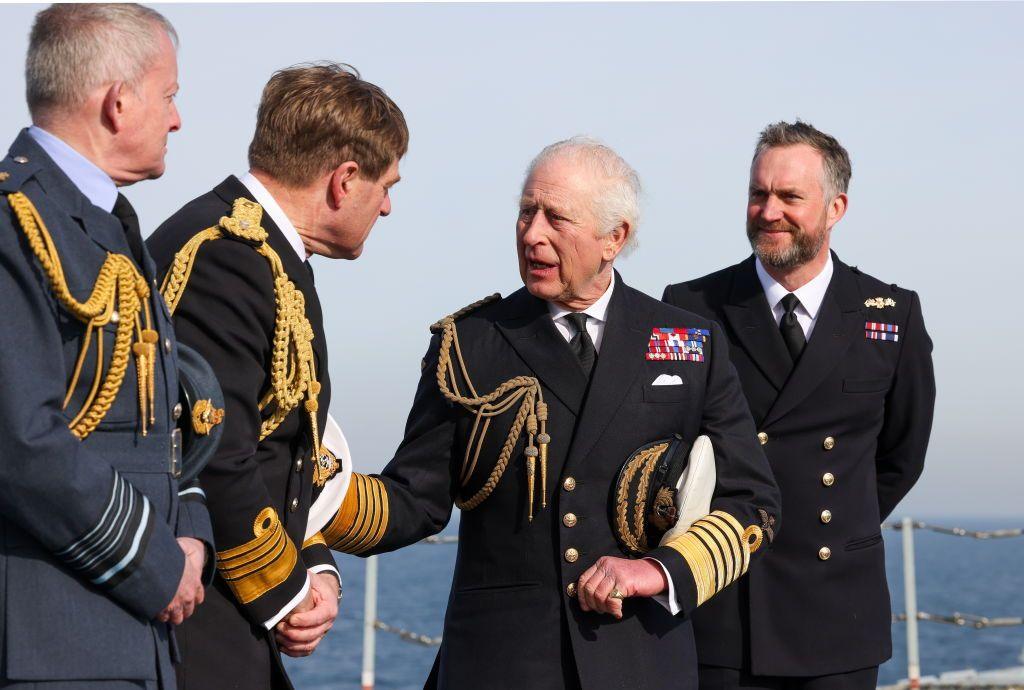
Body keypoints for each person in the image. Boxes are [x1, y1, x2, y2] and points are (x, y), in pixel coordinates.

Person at [309, 137, 781, 689]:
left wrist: (659, 571)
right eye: (526, 212)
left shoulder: (691, 343)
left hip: (639, 663)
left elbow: (752, 503)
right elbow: (415, 499)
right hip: (500, 664)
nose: (532, 233)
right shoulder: (469, 346)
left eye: (556, 218)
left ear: (614, 238)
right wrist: (317, 489)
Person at [146, 63, 408, 690]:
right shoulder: (227, 256)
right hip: (197, 615)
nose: (390, 206)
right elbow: (213, 450)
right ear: (344, 181)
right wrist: (284, 592)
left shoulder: (261, 249)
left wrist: (311, 562)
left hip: (227, 606)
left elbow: (281, 454)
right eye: (387, 184)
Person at [662, 121, 936, 690]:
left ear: (836, 207)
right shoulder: (691, 309)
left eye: (789, 197)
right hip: (725, 606)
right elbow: (665, 442)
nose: (768, 211)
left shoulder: (890, 315)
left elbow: (900, 457)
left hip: (837, 612)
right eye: (758, 194)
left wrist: (841, 525)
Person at [0, 4, 213, 688]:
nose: (177, 119)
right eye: (170, 96)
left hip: (128, 637)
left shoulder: (106, 221)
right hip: (53, 643)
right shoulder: (17, 222)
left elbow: (158, 426)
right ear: (119, 104)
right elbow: (20, 442)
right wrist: (155, 564)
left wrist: (192, 537)